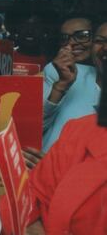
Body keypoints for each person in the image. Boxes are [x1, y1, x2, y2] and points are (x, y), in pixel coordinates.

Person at [25, 18, 107, 234]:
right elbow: (30, 123)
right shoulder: (63, 72)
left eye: (81, 35)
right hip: (42, 184)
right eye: (100, 40)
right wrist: (60, 86)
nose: (105, 48)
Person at [39, 13, 99, 153]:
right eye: (65, 38)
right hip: (50, 160)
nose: (71, 43)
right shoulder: (54, 71)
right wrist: (61, 85)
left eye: (82, 35)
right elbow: (37, 126)